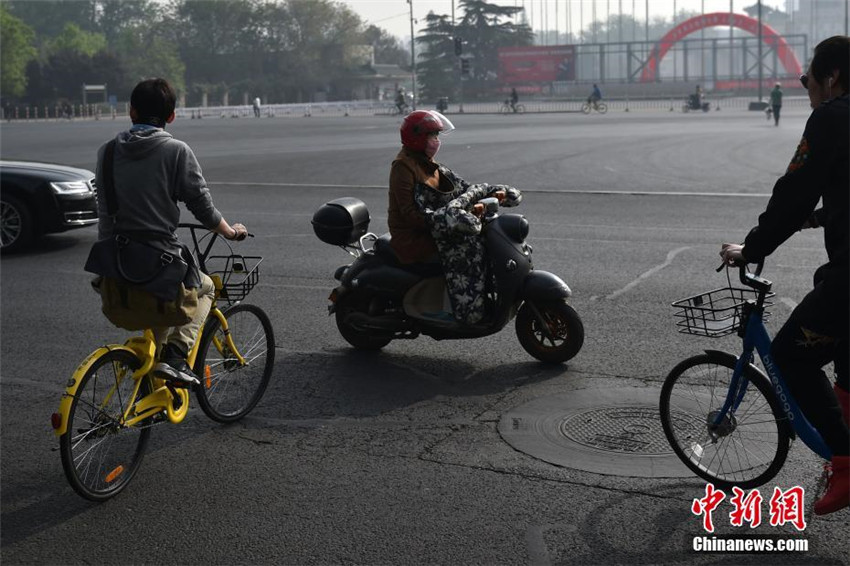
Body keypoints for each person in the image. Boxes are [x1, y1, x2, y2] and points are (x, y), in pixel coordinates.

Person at [719, 36, 849, 515]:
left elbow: (795, 190)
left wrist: (752, 248)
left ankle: (846, 461)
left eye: (806, 77)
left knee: (791, 358)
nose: (805, 86)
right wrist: (819, 219)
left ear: (831, 77)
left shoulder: (832, 117)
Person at [94, 78, 248, 386]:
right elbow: (202, 208)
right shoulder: (176, 151)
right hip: (158, 264)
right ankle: (177, 355)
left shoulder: (107, 152)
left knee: (160, 315)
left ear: (131, 111)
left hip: (114, 269)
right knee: (207, 287)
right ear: (172, 116)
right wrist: (231, 232)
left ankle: (156, 385)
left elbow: (105, 212)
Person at [388, 110, 520, 324]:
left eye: (437, 135)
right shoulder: (402, 167)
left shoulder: (430, 164)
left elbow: (464, 188)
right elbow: (411, 215)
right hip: (413, 238)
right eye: (432, 136)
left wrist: (494, 192)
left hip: (433, 229)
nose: (436, 141)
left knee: (484, 240)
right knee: (467, 251)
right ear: (417, 138)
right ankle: (459, 311)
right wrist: (448, 220)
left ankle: (481, 297)